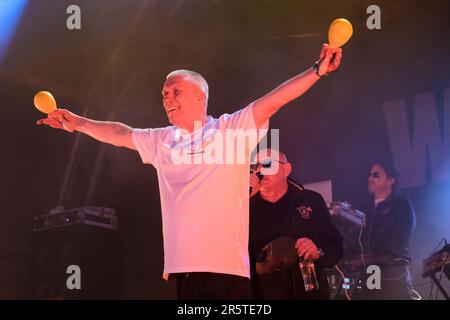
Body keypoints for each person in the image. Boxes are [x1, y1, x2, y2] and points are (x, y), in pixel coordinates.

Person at [36, 44, 343, 299]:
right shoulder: (162, 140)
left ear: (200, 95)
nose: (167, 98)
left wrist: (317, 70)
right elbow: (120, 133)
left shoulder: (228, 131)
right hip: (181, 272)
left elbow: (274, 101)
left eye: (175, 91)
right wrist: (77, 123)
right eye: (164, 95)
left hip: (225, 272)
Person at [249, 149, 343, 299]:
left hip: (307, 294)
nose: (259, 170)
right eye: (255, 166)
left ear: (286, 169)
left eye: (266, 164)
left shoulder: (310, 200)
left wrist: (317, 251)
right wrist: (244, 202)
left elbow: (335, 245)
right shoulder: (245, 207)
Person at [348, 162, 416, 300]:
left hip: (392, 268)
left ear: (391, 180)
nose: (370, 178)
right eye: (369, 175)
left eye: (376, 175)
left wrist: (386, 253)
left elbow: (403, 233)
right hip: (368, 269)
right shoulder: (364, 207)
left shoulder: (401, 203)